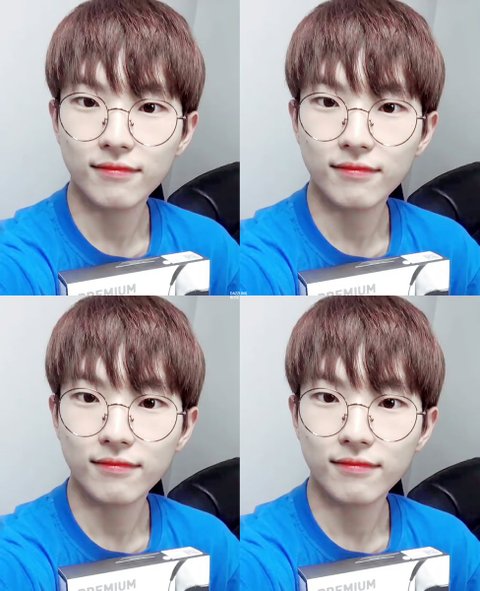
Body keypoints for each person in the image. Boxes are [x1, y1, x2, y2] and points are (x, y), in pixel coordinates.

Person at [240, 0, 480, 295]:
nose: (356, 137)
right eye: (328, 102)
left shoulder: (455, 250)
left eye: (390, 107)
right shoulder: (250, 260)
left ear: (426, 131)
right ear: (296, 119)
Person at [0, 0, 238, 295]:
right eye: (88, 102)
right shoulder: (13, 264)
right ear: (56, 119)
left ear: (186, 131)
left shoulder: (214, 247)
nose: (116, 137)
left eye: (149, 107)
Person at [240, 296, 480, 590]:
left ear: (426, 427)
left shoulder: (454, 545)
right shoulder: (250, 557)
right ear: (296, 415)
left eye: (389, 402)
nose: (356, 433)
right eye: (328, 397)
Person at [0, 296, 238, 590]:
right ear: (56, 415)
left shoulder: (213, 543)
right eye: (88, 397)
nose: (116, 432)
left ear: (186, 427)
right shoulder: (13, 560)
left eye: (149, 403)